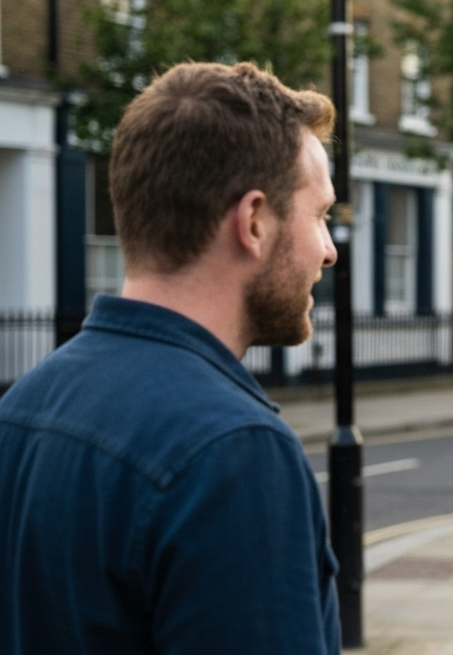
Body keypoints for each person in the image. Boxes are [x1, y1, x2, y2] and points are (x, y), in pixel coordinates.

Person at [0, 62, 342, 653]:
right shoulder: (232, 450)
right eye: (320, 215)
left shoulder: (21, 409)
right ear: (254, 222)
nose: (329, 250)